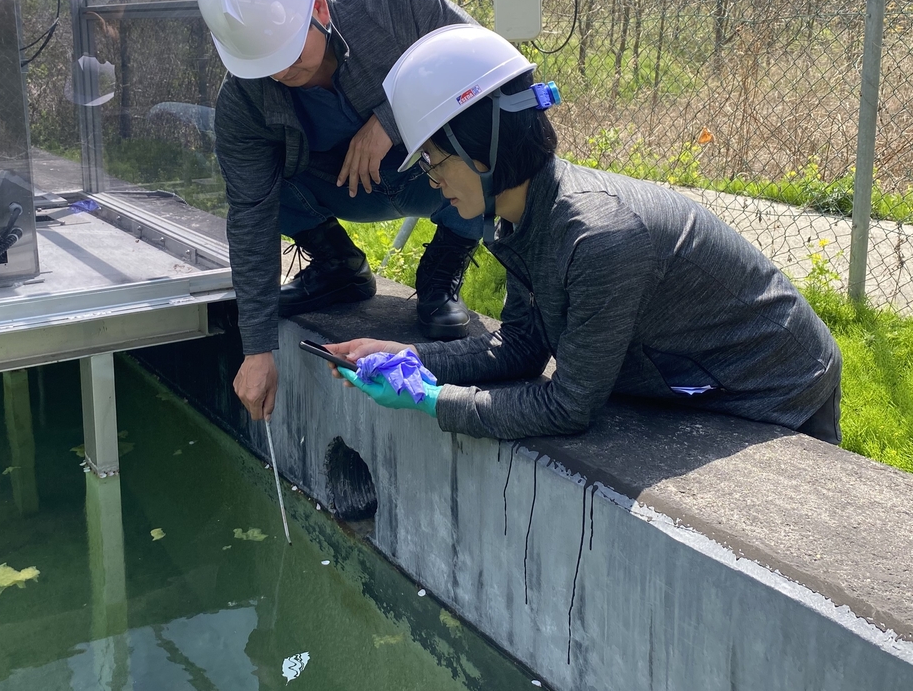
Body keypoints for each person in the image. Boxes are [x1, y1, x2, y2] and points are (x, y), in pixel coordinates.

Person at [325, 24, 843, 444]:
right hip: (685, 371)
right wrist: (407, 358)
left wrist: (435, 401)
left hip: (774, 383)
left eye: (436, 161)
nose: (434, 181)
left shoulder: (599, 237)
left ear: (484, 145)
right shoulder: (520, 214)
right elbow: (524, 346)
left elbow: (569, 406)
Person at [197, 0, 485, 421]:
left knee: (488, 143)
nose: (279, 74)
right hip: (339, 190)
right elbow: (250, 216)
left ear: (321, 11)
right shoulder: (242, 99)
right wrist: (257, 348)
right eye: (262, 64)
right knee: (254, 187)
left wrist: (391, 120)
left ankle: (442, 273)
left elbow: (484, 65)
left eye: (288, 54)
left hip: (428, 174)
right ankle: (340, 268)